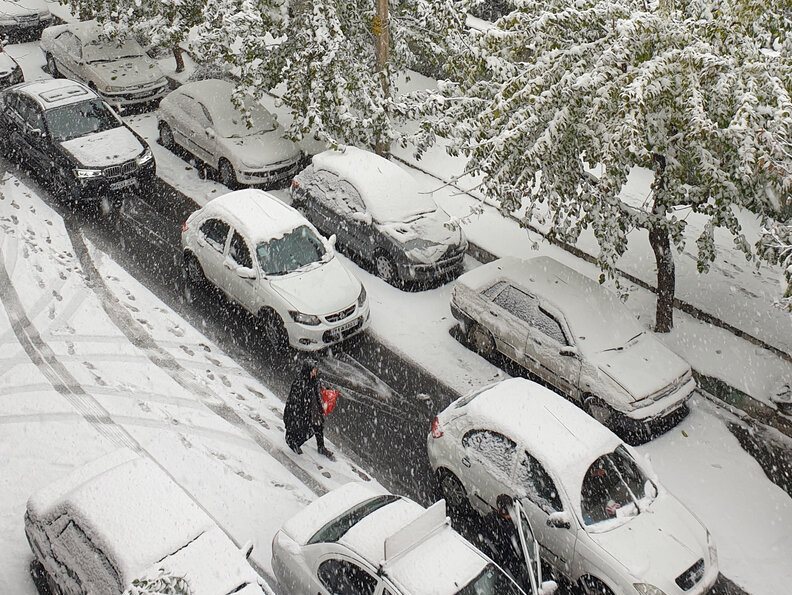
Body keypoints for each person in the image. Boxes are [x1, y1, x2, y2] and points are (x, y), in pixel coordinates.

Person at [284, 359, 335, 460]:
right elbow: (295, 402)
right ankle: (292, 441)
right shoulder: (299, 383)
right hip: (300, 412)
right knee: (307, 430)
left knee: (318, 426)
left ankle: (321, 447)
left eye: (316, 370)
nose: (315, 372)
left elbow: (317, 390)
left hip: (312, 409)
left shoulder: (313, 380)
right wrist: (304, 414)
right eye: (313, 370)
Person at [479, 494, 526, 586]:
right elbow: (489, 542)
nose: (510, 515)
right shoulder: (494, 523)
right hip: (502, 562)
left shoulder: (492, 519)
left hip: (509, 560)